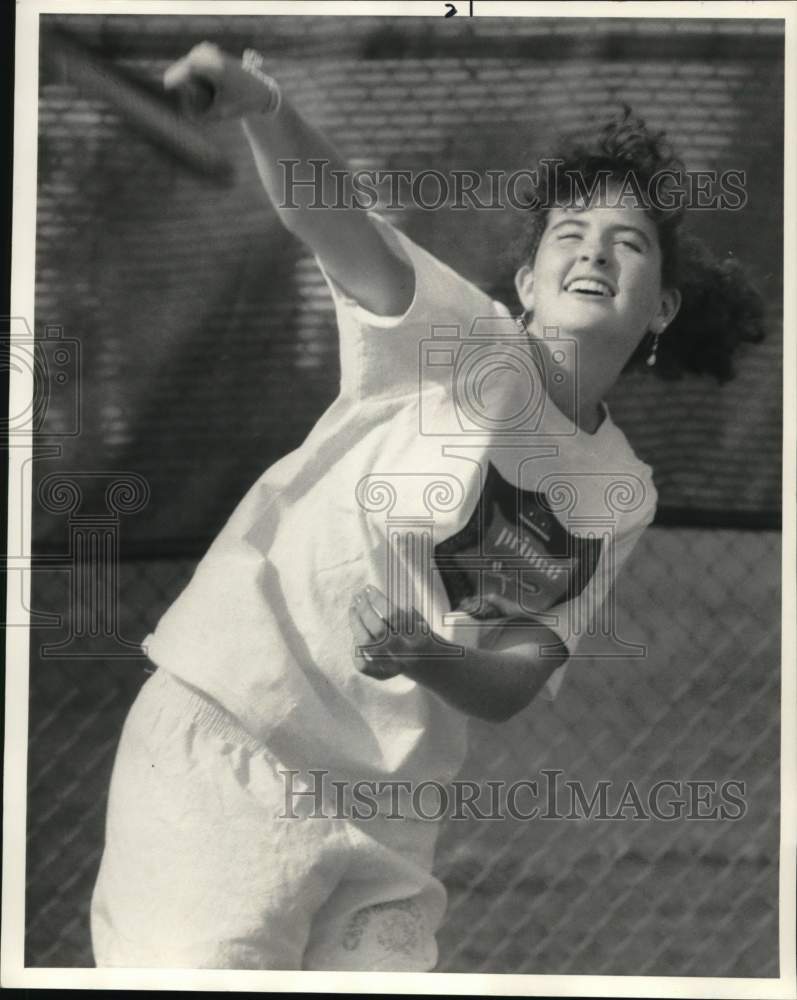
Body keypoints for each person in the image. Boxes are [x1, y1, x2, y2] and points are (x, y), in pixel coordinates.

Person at [90, 43, 764, 972]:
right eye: (567, 233)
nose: (594, 249)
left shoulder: (623, 490)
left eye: (629, 240)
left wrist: (433, 657)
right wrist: (262, 102)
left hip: (386, 819)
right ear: (525, 287)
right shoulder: (452, 336)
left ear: (661, 308)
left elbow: (518, 671)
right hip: (231, 745)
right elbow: (333, 216)